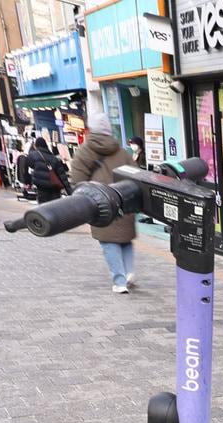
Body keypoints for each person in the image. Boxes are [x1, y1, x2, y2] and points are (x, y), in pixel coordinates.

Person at [70, 114, 137, 293]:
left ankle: (120, 281)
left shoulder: (84, 151)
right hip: (124, 200)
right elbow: (136, 174)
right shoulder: (121, 151)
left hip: (100, 204)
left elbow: (77, 180)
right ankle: (129, 272)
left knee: (109, 242)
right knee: (125, 239)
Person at [24, 136, 69, 204]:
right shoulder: (54, 158)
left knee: (44, 208)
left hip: (41, 188)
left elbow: (27, 168)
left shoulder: (33, 155)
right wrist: (70, 192)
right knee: (54, 207)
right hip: (54, 189)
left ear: (36, 145)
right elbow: (63, 176)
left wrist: (27, 182)